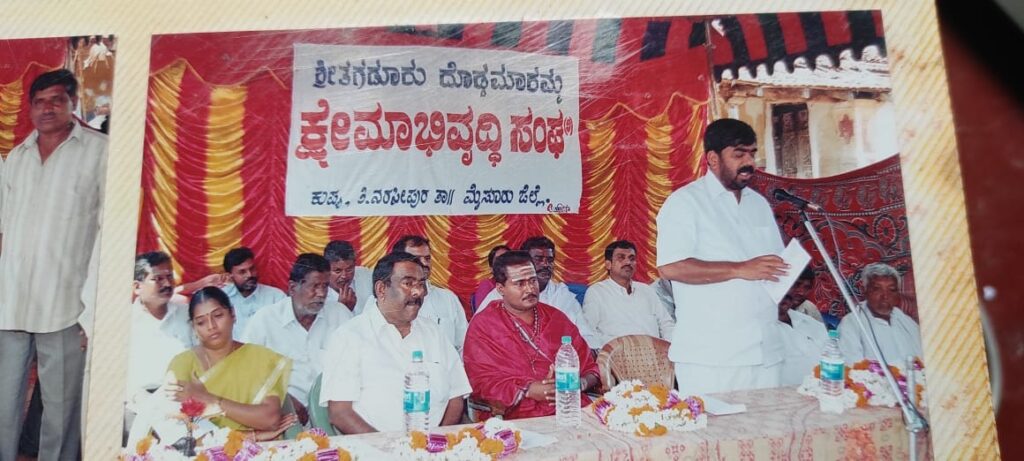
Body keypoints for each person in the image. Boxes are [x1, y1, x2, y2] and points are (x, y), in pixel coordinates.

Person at [0, 69, 107, 460]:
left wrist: (91, 309)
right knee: (2, 408)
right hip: (10, 305)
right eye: (40, 101)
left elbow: (108, 233)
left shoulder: (100, 152)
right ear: (29, 108)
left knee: (60, 416)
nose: (47, 109)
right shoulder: (16, 158)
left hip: (66, 306)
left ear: (73, 104)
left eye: (57, 100)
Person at [655, 118, 788, 396]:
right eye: (738, 154)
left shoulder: (759, 204)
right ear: (712, 159)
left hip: (766, 351)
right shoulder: (685, 202)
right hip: (713, 358)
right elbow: (671, 267)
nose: (748, 162)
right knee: (718, 439)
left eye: (752, 153)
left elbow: (772, 264)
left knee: (769, 437)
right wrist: (739, 269)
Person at [321, 252, 471, 433]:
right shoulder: (349, 336)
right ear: (381, 289)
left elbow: (456, 395)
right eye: (408, 284)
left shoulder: (433, 332)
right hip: (376, 450)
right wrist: (387, 448)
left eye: (421, 284)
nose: (418, 292)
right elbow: (340, 413)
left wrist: (437, 441)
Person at [464, 251, 599, 420]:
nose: (530, 289)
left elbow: (591, 369)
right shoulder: (484, 325)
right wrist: (528, 390)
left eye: (533, 281)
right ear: (500, 289)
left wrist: (579, 384)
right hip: (517, 416)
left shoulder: (556, 318)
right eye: (520, 283)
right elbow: (481, 381)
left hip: (571, 408)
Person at [165, 287, 296, 439]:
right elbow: (177, 431)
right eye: (201, 322)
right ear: (193, 327)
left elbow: (270, 419)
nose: (211, 326)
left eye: (218, 315)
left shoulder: (261, 358)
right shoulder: (182, 364)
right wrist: (250, 436)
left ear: (233, 314)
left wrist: (209, 399)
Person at [242, 253, 350, 425]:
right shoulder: (265, 320)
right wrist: (284, 400)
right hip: (283, 417)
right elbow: (246, 372)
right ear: (292, 288)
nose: (321, 294)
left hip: (336, 414)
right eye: (314, 286)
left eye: (325, 286)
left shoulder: (340, 314)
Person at [476, 236, 599, 348]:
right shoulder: (501, 294)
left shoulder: (562, 295)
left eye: (550, 260)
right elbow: (478, 338)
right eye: (539, 259)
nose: (546, 264)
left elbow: (586, 336)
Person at [126, 252, 195, 410]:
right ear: (137, 287)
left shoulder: (186, 314)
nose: (167, 284)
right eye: (158, 279)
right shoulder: (125, 322)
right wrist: (144, 403)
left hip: (184, 402)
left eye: (170, 276)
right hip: (137, 405)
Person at [583, 240, 675, 348]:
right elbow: (588, 332)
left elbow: (667, 325)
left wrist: (671, 351)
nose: (628, 262)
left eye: (632, 258)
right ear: (608, 264)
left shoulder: (647, 291)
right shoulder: (597, 292)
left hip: (653, 358)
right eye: (621, 258)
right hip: (616, 359)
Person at [391, 235, 468, 353]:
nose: (424, 264)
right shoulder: (385, 301)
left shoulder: (448, 298)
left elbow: (464, 345)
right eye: (416, 259)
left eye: (427, 258)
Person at [838, 263, 924, 366]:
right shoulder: (851, 324)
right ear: (864, 290)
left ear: (898, 293)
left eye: (892, 290)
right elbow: (853, 371)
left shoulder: (905, 321)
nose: (885, 296)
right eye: (877, 289)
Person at [220, 247, 286, 337]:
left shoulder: (276, 297)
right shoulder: (221, 298)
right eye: (242, 272)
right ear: (230, 276)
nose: (249, 275)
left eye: (252, 269)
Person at [775, 277, 828, 386]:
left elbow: (831, 358)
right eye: (796, 285)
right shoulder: (758, 328)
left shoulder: (812, 323)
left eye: (806, 288)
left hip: (821, 392)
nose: (800, 292)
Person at [323, 240, 373, 315]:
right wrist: (342, 309)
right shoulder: (319, 292)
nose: (344, 276)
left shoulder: (366, 275)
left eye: (349, 269)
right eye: (337, 271)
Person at [471, 244, 510, 314]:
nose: (504, 263)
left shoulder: (520, 284)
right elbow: (483, 315)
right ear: (491, 268)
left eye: (507, 258)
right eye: (499, 260)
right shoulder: (487, 285)